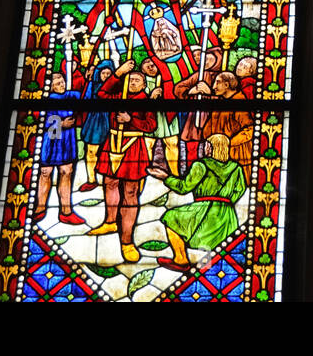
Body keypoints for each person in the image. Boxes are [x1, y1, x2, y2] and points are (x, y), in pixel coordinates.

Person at [86, 59, 157, 263]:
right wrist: (118, 73)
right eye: (131, 78)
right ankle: (110, 221)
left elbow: (151, 125)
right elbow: (100, 94)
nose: (133, 82)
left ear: (144, 85)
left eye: (137, 80)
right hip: (113, 142)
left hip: (133, 146)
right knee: (109, 183)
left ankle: (127, 241)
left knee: (131, 191)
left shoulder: (146, 102)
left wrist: (130, 120)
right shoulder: (119, 95)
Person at [151, 133, 246, 273]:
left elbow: (184, 188)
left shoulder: (201, 165)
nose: (205, 147)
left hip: (204, 209)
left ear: (212, 147)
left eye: (208, 144)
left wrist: (166, 177)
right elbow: (240, 189)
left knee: (170, 217)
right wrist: (225, 201)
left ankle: (181, 259)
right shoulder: (236, 168)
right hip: (227, 214)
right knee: (224, 250)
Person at [35, 70, 86, 226]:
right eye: (57, 83)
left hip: (67, 140)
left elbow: (85, 96)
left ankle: (66, 211)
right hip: (52, 138)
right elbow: (40, 118)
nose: (62, 84)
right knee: (46, 172)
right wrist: (60, 124)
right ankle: (39, 208)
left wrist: (88, 78)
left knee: (66, 172)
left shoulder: (71, 96)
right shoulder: (47, 99)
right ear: (50, 87)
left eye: (62, 81)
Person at [79, 58, 114, 191]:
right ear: (98, 73)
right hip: (95, 120)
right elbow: (86, 100)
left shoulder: (117, 86)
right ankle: (92, 179)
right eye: (103, 73)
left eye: (109, 73)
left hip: (111, 119)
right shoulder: (92, 85)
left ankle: (110, 179)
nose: (106, 76)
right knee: (92, 151)